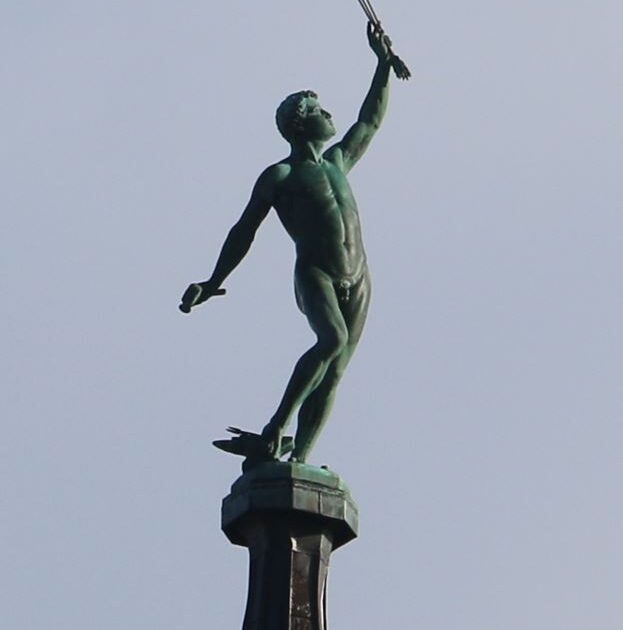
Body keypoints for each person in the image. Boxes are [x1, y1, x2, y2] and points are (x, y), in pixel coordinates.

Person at [180, 23, 394, 463]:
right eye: (318, 108)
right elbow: (245, 229)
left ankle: (299, 461)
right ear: (300, 121)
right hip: (316, 272)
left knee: (334, 373)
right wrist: (213, 279)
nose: (328, 113)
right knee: (331, 340)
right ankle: (277, 428)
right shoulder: (281, 175)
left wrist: (382, 65)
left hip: (360, 276)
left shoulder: (338, 160)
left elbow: (369, 121)